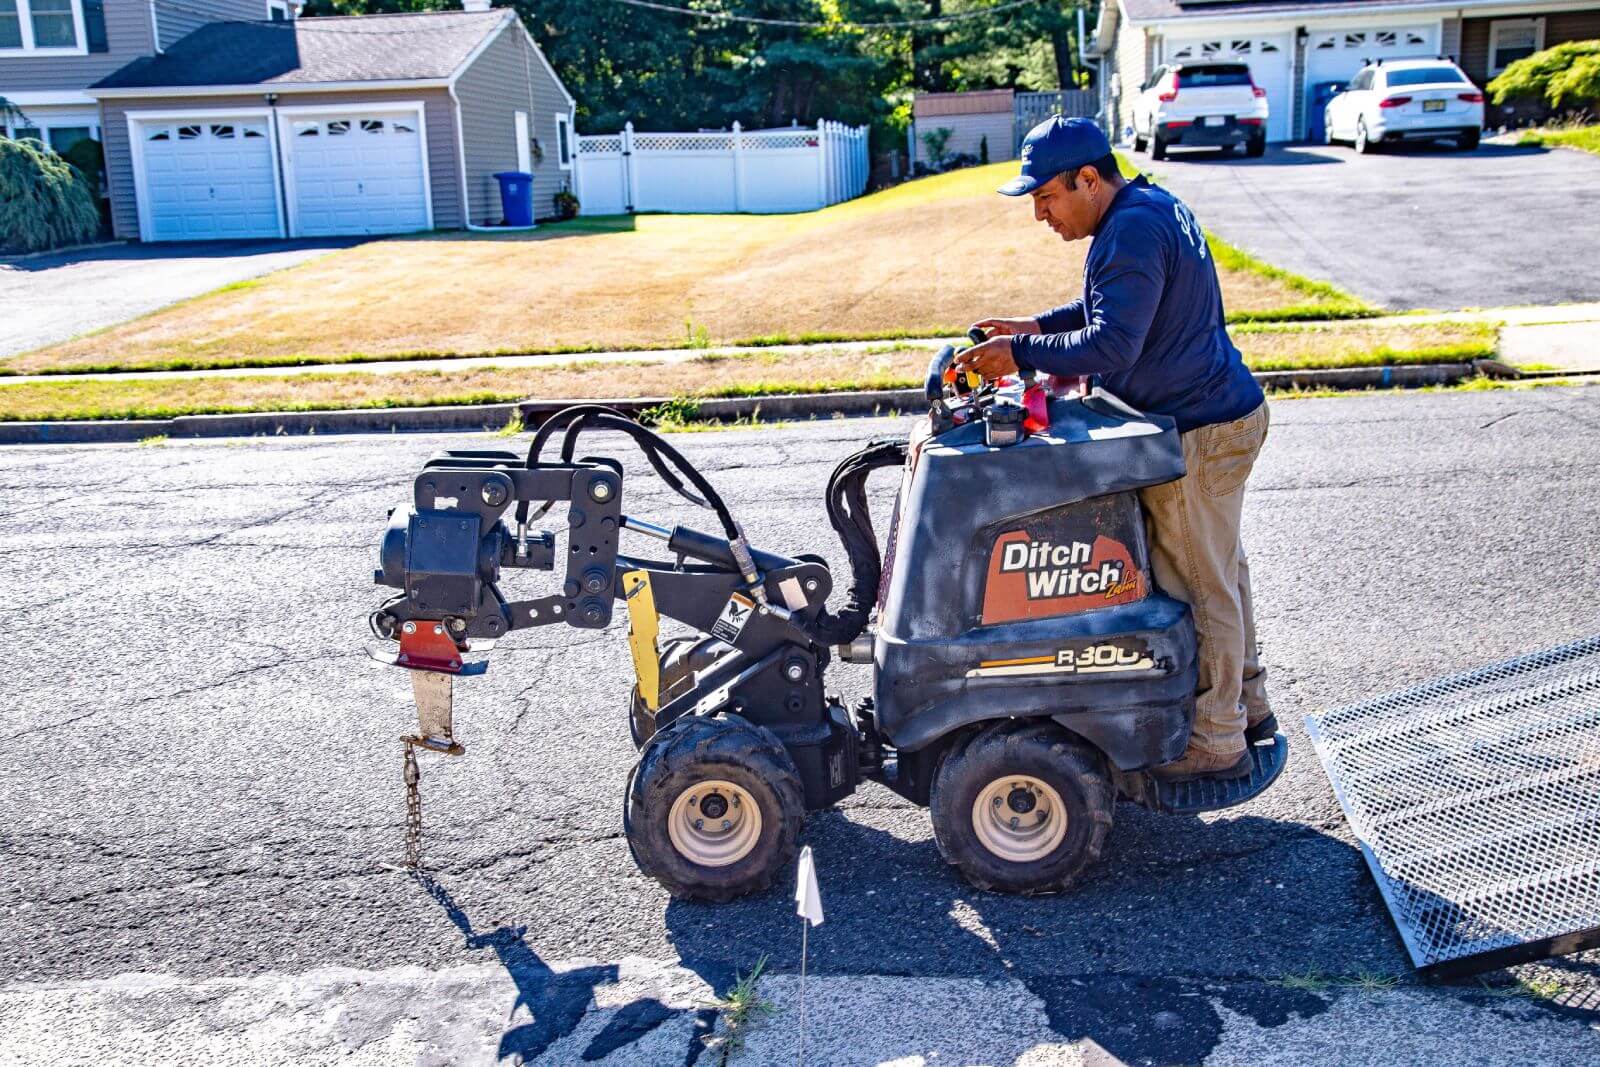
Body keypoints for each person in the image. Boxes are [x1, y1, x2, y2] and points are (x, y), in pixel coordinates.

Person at [953, 116, 1273, 781]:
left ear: (1088, 179)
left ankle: (1216, 739)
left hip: (1201, 428)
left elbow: (1111, 345)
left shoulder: (1129, 228)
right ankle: (1248, 706)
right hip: (1222, 414)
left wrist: (1016, 352)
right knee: (1222, 571)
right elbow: (1108, 307)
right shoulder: (1149, 206)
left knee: (1199, 583)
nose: (1040, 214)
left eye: (1046, 198)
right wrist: (1035, 326)